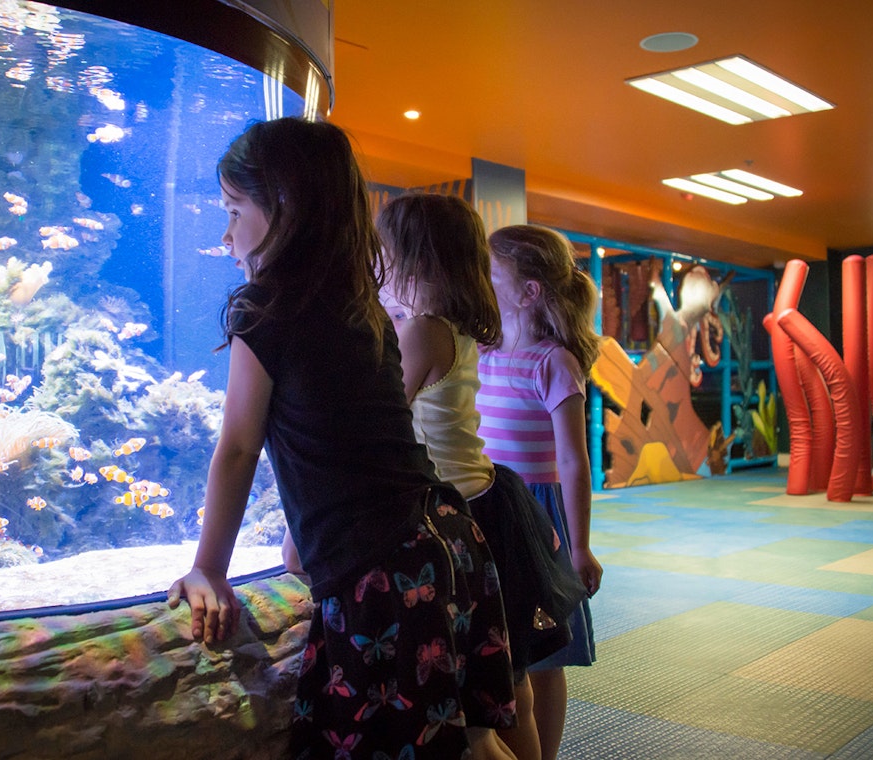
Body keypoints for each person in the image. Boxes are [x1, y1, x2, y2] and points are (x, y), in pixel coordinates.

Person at [166, 117, 518, 760]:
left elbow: (241, 447)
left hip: (380, 574)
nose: (225, 233)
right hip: (449, 541)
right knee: (471, 744)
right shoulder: (368, 312)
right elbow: (358, 443)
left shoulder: (264, 307)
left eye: (233, 209)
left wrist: (209, 567)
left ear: (285, 207)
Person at [374, 194, 588, 760]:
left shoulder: (423, 330)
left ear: (412, 262)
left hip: (459, 512)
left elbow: (382, 411)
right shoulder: (451, 327)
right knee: (507, 667)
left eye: (383, 253)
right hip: (485, 501)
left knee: (487, 685)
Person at [475, 224, 604, 760]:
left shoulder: (554, 362)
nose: (480, 279)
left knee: (547, 653)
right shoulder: (480, 351)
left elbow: (574, 462)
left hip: (541, 516)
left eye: (491, 271)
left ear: (529, 291)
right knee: (503, 645)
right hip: (492, 510)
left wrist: (580, 547)